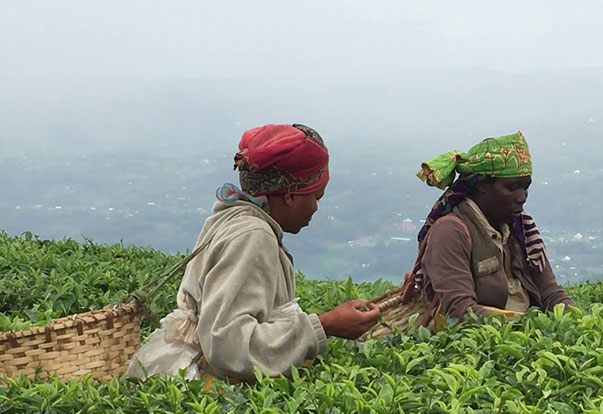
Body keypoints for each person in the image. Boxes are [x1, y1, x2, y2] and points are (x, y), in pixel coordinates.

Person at [127, 123, 379, 384]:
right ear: (291, 196)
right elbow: (228, 344)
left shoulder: (232, 216)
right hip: (208, 389)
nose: (316, 207)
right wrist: (325, 325)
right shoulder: (253, 235)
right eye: (316, 196)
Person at [405, 131, 574, 322]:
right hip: (483, 342)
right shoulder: (451, 232)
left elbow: (550, 292)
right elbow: (460, 311)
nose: (522, 197)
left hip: (525, 334)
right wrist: (527, 328)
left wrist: (579, 320)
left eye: (525, 187)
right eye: (512, 188)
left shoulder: (522, 229)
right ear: (482, 186)